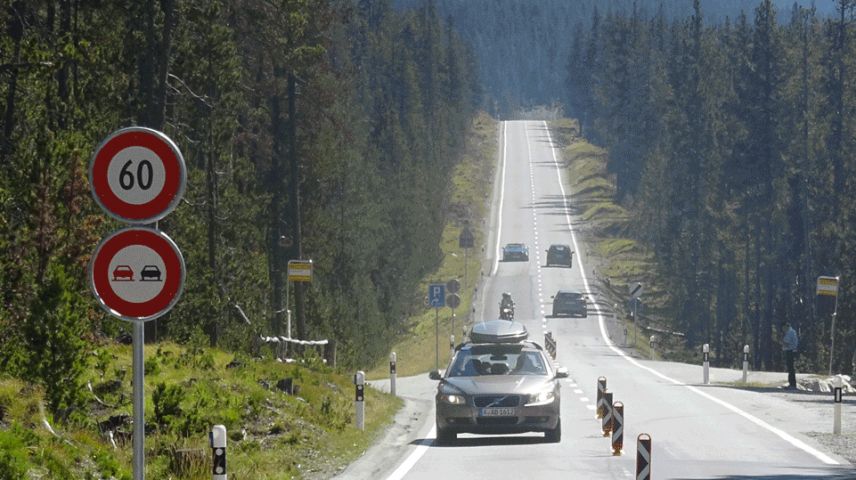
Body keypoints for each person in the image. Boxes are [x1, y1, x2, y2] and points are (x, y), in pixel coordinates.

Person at [781, 322, 799, 389]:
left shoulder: (789, 332)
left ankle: (792, 384)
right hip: (792, 351)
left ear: (786, 326)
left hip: (790, 351)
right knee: (790, 368)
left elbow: (787, 343)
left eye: (783, 328)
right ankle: (791, 383)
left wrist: (781, 341)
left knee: (790, 368)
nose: (783, 330)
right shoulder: (792, 331)